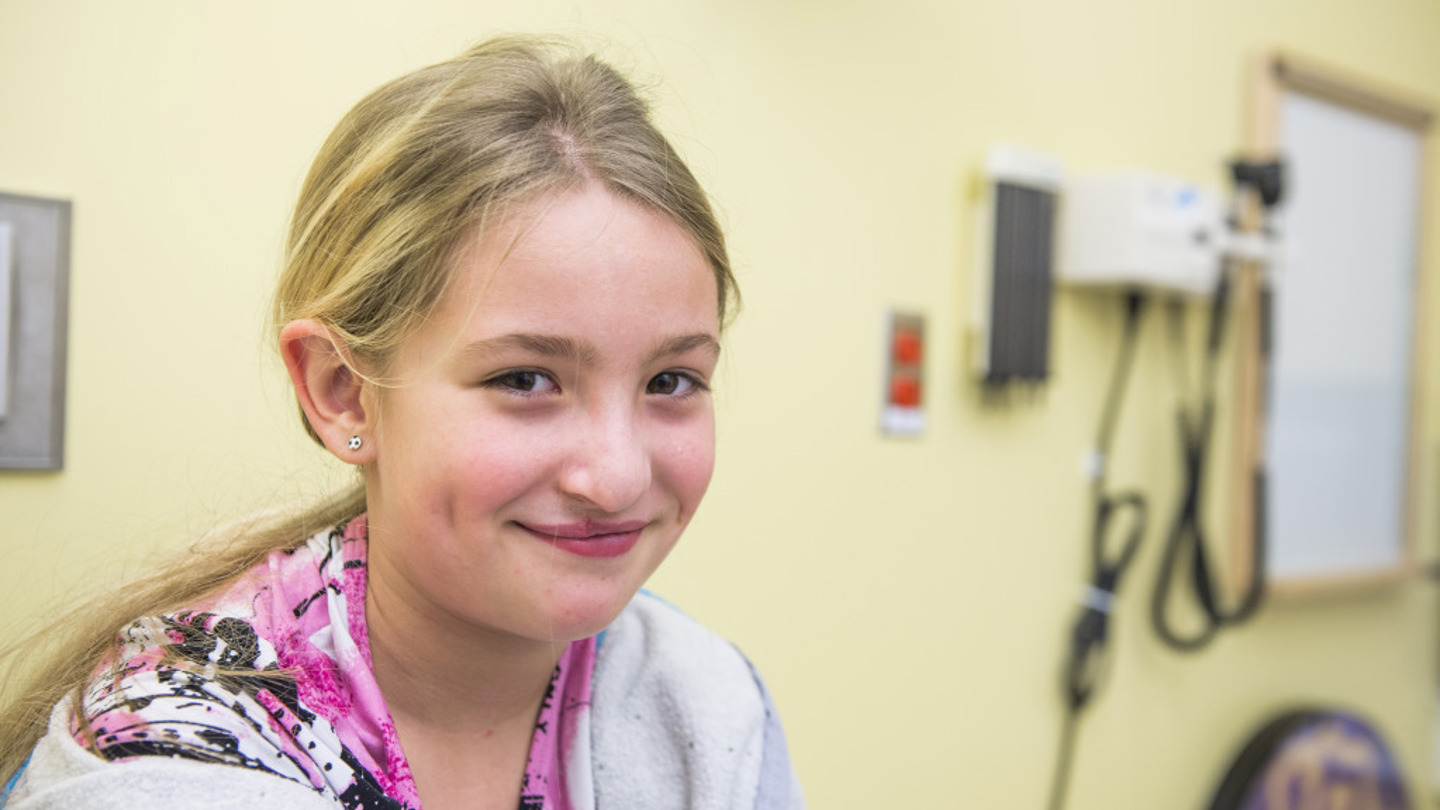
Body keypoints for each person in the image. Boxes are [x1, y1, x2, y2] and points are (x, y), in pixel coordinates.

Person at [0, 36, 803, 810]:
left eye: (671, 379)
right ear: (343, 390)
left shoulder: (707, 709)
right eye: (526, 379)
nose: (618, 476)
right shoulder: (171, 766)